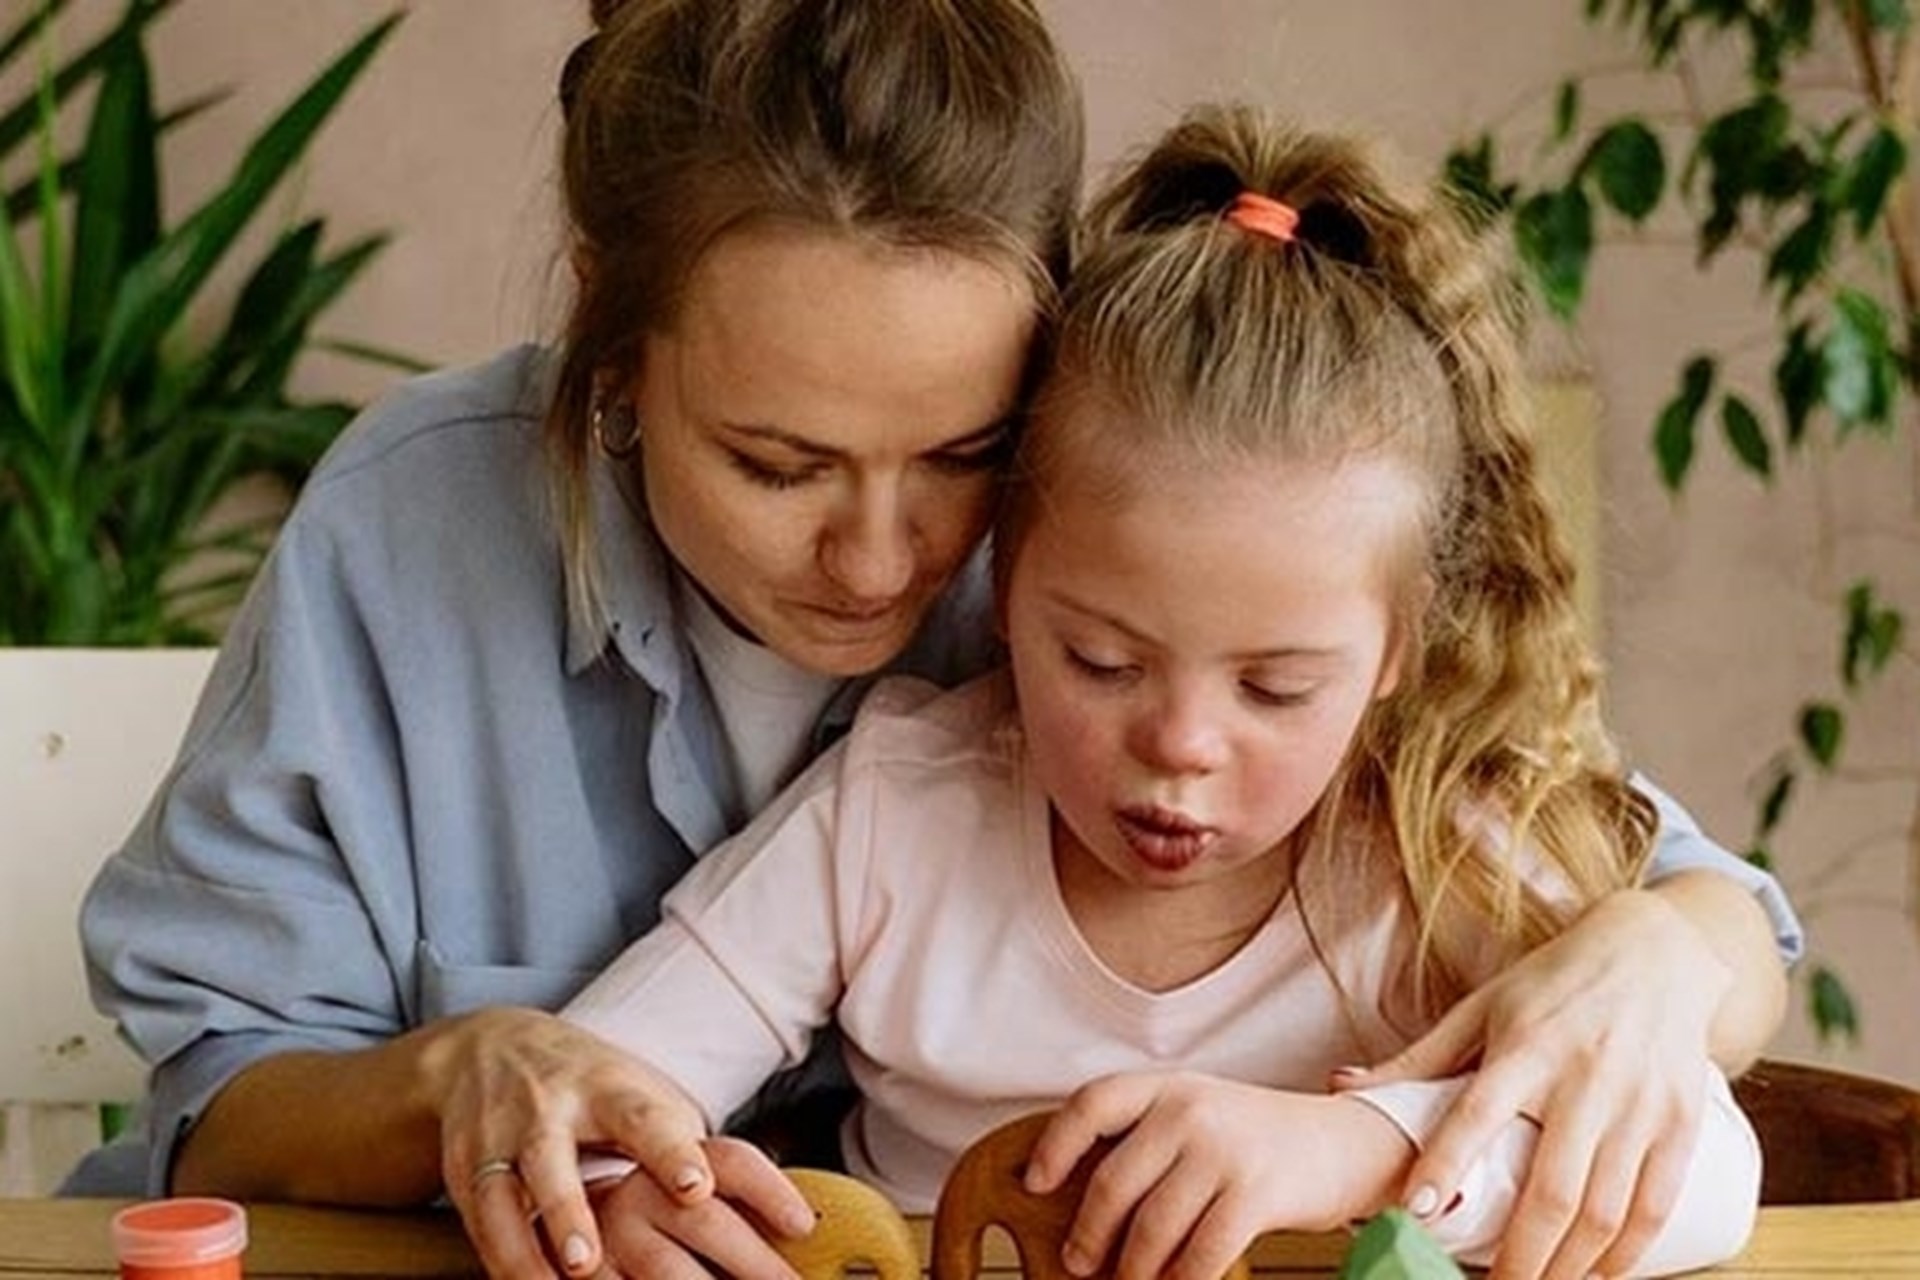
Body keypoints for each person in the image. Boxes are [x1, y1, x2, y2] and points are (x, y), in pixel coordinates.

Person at [71, 3, 1793, 1279]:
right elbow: (224, 1093)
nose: (883, 557)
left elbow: (1679, 912)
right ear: (613, 339)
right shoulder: (423, 537)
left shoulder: (1131, 508)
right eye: (776, 462)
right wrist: (499, 1098)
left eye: (962, 457)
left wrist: (1651, 964)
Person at [558, 102, 1765, 1280]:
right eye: (1102, 661)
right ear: (1003, 577)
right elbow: (592, 1089)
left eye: (1278, 688)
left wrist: (1355, 1148)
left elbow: (1713, 1170)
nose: (1180, 743)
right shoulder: (894, 808)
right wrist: (621, 1196)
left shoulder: (1431, 845)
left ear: (1397, 653)